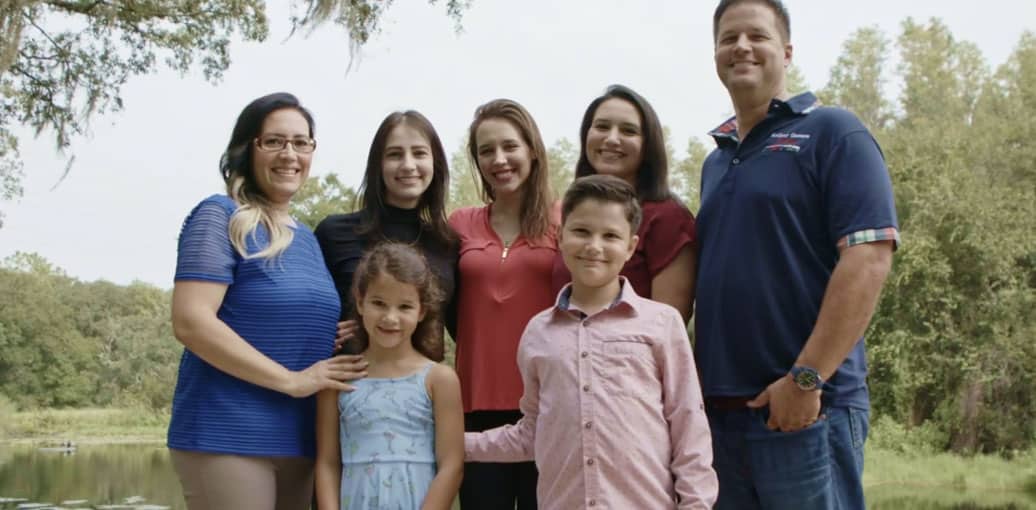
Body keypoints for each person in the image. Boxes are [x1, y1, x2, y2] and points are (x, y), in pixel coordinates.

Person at [696, 1, 899, 508]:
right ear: (716, 55)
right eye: (728, 37)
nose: (741, 46)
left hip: (808, 409)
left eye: (757, 36)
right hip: (719, 419)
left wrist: (807, 378)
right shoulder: (715, 162)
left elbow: (869, 259)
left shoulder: (834, 132)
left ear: (786, 52)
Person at [466, 174, 718, 509]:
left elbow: (688, 424)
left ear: (630, 246)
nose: (594, 246)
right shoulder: (538, 333)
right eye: (581, 231)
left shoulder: (661, 324)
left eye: (610, 235)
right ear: (561, 236)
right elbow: (532, 432)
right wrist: (455, 443)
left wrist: (696, 504)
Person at [168, 92, 367, 510]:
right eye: (273, 141)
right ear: (247, 149)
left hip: (299, 436)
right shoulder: (219, 215)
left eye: (301, 142)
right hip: (228, 433)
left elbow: (274, 316)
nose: (289, 154)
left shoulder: (307, 238)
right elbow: (191, 322)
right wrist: (292, 381)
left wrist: (329, 336)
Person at [448, 98, 557, 509]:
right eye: (486, 150)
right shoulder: (459, 224)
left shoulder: (565, 220)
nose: (499, 159)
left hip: (547, 405)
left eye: (509, 146)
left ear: (532, 148)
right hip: (475, 407)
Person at [314, 242, 464, 510]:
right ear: (360, 303)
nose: (390, 318)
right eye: (379, 303)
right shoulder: (337, 377)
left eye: (404, 306)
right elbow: (327, 463)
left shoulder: (439, 379)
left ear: (422, 311)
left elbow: (451, 465)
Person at [316, 110, 457, 358]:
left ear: (435, 162)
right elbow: (306, 313)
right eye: (394, 154)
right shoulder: (334, 234)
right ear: (378, 165)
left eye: (419, 153)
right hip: (347, 387)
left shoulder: (447, 242)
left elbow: (462, 328)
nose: (408, 165)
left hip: (423, 391)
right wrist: (324, 336)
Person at [551, 84, 697, 322]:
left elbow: (666, 326)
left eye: (628, 131)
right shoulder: (572, 211)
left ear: (648, 144)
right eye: (602, 127)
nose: (611, 139)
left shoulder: (668, 218)